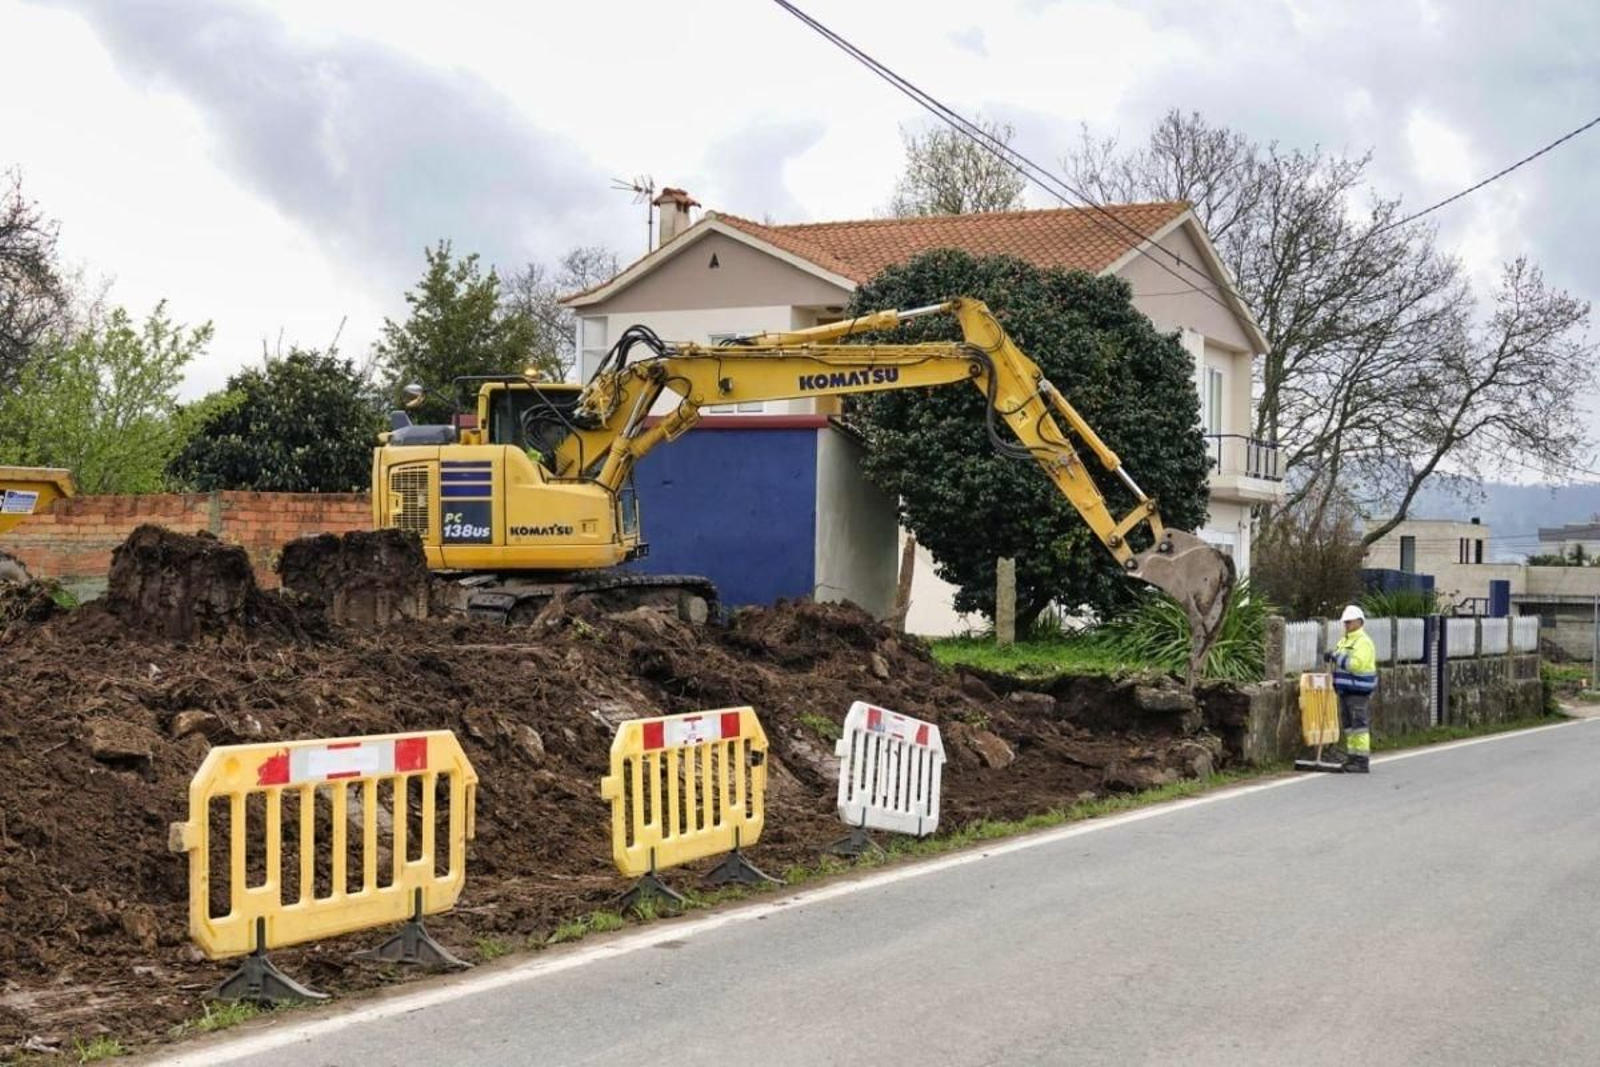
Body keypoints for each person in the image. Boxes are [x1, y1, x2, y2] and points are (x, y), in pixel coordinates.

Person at [1325, 604, 1378, 773]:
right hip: (1345, 690)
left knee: (1359, 726)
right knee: (1349, 727)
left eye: (1349, 622)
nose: (1346, 625)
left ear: (1359, 622)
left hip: (1358, 691)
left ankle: (1362, 761)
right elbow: (1340, 661)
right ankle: (1352, 757)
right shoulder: (1344, 641)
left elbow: (1355, 664)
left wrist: (1335, 656)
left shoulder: (1363, 642)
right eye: (1345, 622)